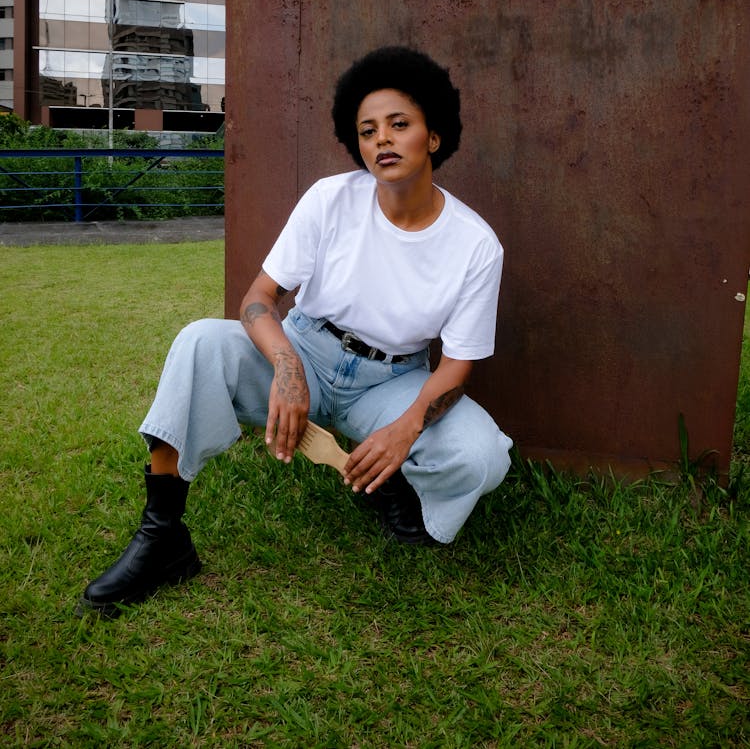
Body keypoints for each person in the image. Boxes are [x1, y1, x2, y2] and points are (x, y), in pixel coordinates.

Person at [77, 46, 513, 616]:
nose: (382, 140)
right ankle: (163, 538)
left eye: (399, 125)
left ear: (433, 136)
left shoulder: (475, 245)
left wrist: (406, 429)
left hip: (391, 382)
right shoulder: (331, 200)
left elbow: (457, 364)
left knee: (482, 455)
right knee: (199, 342)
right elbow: (259, 298)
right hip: (304, 345)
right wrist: (286, 364)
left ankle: (395, 488)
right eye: (367, 130)